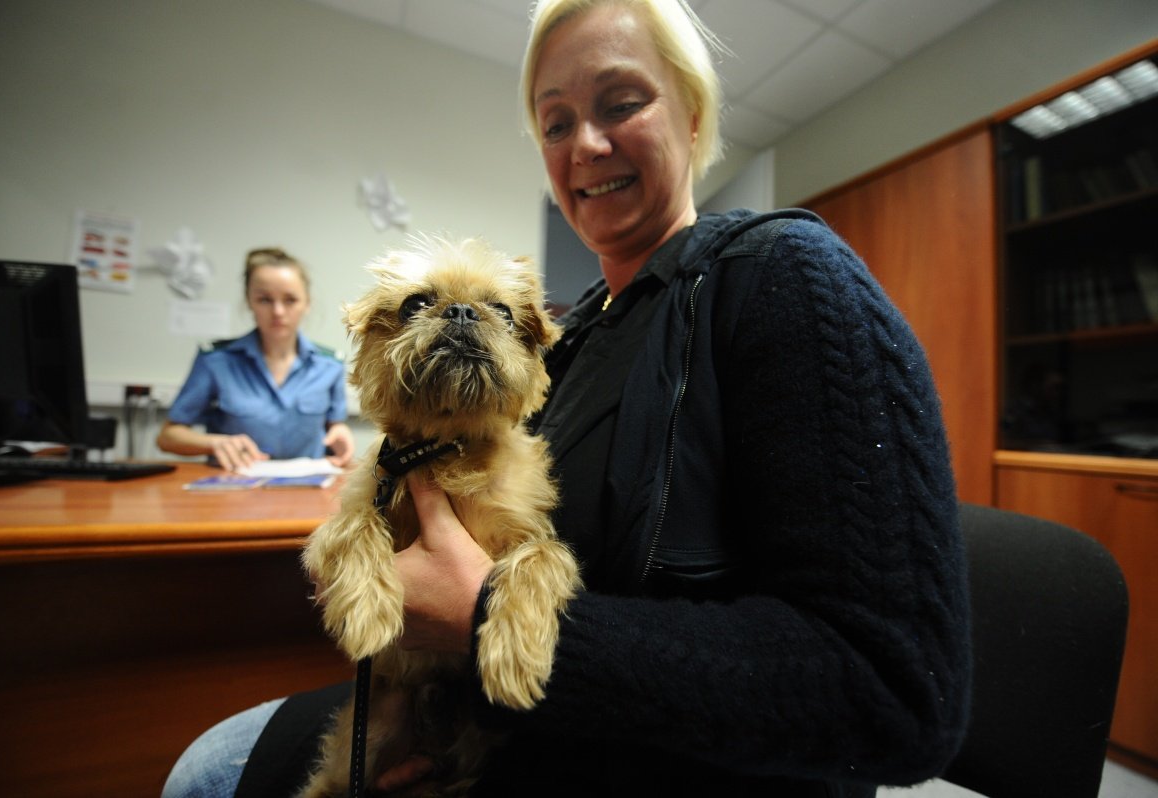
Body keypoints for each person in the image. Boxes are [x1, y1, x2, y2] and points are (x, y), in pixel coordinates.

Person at [162, 1, 971, 796]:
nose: (585, 143)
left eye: (622, 103)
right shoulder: (568, 335)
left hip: (644, 763)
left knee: (208, 775)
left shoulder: (785, 276)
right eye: (555, 123)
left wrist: (488, 615)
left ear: (692, 114)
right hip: (490, 726)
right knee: (204, 760)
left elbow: (896, 695)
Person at [156, 247, 355, 472]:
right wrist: (215, 443)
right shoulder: (216, 360)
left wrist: (341, 432)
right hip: (234, 490)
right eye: (264, 300)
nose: (278, 311)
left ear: (306, 303)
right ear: (249, 302)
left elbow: (335, 426)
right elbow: (167, 436)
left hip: (307, 490)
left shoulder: (330, 365)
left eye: (290, 300)